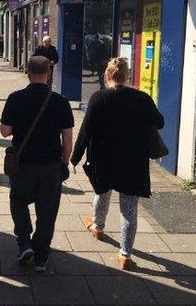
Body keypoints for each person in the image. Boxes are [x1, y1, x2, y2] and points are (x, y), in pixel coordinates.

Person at [70, 57, 164, 269]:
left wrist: (74, 158)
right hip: (133, 162)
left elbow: (86, 131)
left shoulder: (98, 98)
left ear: (108, 75)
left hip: (104, 161)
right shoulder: (142, 98)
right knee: (129, 210)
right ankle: (125, 254)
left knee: (101, 194)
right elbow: (160, 122)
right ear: (127, 75)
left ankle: (98, 226)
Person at [0, 56, 74, 271]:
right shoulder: (60, 102)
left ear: (28, 73)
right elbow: (67, 138)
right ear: (48, 74)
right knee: (47, 211)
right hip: (50, 166)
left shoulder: (15, 98)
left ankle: (24, 242)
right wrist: (65, 162)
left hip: (23, 165)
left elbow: (5, 131)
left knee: (19, 202)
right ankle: (41, 256)